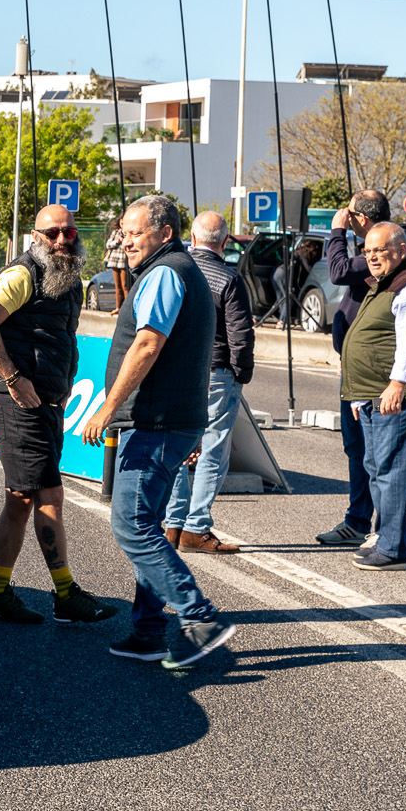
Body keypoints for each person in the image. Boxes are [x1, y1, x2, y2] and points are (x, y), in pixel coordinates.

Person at [80, 194, 234, 670]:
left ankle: (198, 617)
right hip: (173, 421)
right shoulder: (181, 271)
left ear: (165, 233)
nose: (125, 241)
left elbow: (148, 343)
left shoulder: (166, 273)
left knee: (130, 524)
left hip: (154, 423)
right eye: (123, 233)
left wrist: (107, 408)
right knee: (148, 523)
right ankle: (148, 632)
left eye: (135, 233)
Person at [0, 204, 118, 626]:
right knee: (49, 496)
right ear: (35, 237)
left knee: (20, 499)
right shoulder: (22, 274)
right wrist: (14, 378)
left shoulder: (69, 277)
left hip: (47, 404)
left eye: (69, 232)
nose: (62, 240)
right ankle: (66, 594)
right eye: (52, 234)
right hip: (18, 404)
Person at [317, 189, 406, 549]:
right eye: (368, 252)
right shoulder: (378, 251)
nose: (372, 256)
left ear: (361, 219)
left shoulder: (390, 253)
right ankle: (363, 523)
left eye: (350, 214)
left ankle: (384, 537)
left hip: (379, 377)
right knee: (362, 452)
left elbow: (338, 272)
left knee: (383, 462)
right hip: (359, 373)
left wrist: (337, 231)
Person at [343, 222, 406, 568]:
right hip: (374, 393)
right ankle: (385, 538)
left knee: (391, 468)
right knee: (376, 466)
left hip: (397, 393)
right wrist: (359, 396)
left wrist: (399, 384)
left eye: (380, 250)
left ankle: (393, 549)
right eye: (367, 251)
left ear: (401, 250)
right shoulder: (385, 283)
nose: (372, 257)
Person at [166, 211, 255, 554]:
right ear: (225, 241)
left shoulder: (175, 271)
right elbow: (240, 336)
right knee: (213, 451)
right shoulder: (228, 278)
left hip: (176, 371)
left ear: (192, 237)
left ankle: (172, 524)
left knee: (177, 447)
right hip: (216, 372)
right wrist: (241, 373)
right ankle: (196, 527)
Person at [103, 217, 131, 315]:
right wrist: (117, 241)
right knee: (117, 286)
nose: (122, 225)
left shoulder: (129, 233)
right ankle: (118, 308)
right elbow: (108, 245)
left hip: (123, 262)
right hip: (114, 261)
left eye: (124, 223)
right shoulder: (115, 232)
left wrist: (124, 241)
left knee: (125, 286)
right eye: (121, 223)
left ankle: (128, 309)